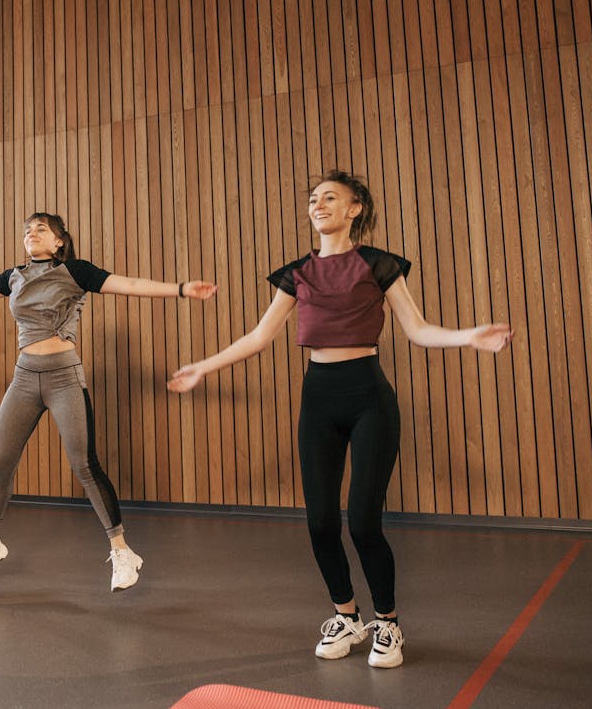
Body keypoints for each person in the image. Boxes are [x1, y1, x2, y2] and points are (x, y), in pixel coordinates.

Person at [168, 170, 513, 668]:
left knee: (365, 522)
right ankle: (347, 616)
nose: (319, 204)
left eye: (331, 197)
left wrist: (468, 336)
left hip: (368, 395)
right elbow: (258, 337)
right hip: (319, 398)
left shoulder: (378, 264)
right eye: (313, 198)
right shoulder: (297, 273)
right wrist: (203, 365)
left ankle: (388, 624)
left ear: (355, 209)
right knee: (320, 522)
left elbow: (416, 330)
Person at [0, 212, 216, 591]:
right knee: (1, 463)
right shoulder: (14, 277)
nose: (31, 234)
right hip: (24, 378)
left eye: (41, 229)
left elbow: (130, 284)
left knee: (85, 466)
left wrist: (182, 289)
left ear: (59, 241)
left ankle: (122, 551)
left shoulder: (76, 272)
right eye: (27, 230)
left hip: (63, 378)